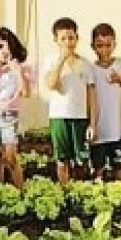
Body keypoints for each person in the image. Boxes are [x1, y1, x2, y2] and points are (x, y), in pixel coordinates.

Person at [43, 17, 98, 185]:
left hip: (80, 119)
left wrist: (92, 124)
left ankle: (81, 191)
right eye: (63, 38)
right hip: (59, 118)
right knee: (62, 159)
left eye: (71, 38)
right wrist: (61, 60)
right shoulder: (51, 61)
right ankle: (64, 190)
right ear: (56, 40)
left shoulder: (86, 65)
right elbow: (52, 84)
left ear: (77, 38)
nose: (68, 42)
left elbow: (92, 97)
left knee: (82, 160)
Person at [0, 27, 34, 188]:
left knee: (10, 156)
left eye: (2, 46)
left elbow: (26, 93)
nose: (0, 51)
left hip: (9, 116)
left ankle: (20, 189)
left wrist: (17, 71)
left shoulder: (24, 68)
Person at [90, 23, 121, 182]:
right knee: (98, 167)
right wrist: (92, 124)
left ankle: (120, 192)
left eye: (108, 45)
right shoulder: (91, 69)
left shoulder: (120, 64)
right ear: (93, 46)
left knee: (119, 166)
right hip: (99, 129)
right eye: (99, 45)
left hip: (117, 129)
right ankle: (97, 193)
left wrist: (119, 79)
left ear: (114, 44)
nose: (104, 49)